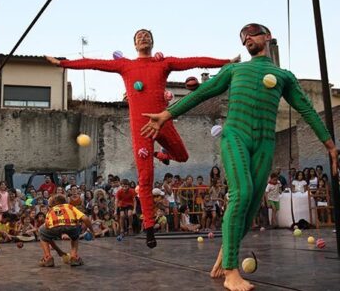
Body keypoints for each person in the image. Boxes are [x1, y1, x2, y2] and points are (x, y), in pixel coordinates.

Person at [141, 23, 338, 291]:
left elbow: (307, 110)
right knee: (241, 193)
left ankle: (227, 251)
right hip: (236, 136)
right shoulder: (235, 70)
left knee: (250, 210)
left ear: (267, 37)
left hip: (265, 143)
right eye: (243, 36)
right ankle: (231, 272)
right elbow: (201, 93)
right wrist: (167, 114)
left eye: (252, 32)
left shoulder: (284, 76)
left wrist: (329, 146)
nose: (247, 38)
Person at [46, 29, 239, 248]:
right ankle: (149, 229)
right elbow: (94, 63)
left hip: (163, 121)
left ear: (152, 42)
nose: (143, 38)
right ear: (134, 45)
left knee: (182, 156)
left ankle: (161, 154)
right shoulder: (126, 65)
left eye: (146, 36)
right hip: (142, 128)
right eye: (139, 37)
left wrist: (225, 62)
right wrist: (64, 64)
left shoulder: (163, 63)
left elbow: (193, 61)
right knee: (145, 179)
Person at [38, 194, 94, 267]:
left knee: (43, 233)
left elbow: (47, 229)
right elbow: (85, 219)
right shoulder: (70, 207)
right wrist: (92, 231)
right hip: (70, 226)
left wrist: (60, 252)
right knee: (75, 237)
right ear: (65, 202)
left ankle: (48, 257)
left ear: (52, 204)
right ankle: (74, 256)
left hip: (53, 227)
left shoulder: (50, 210)